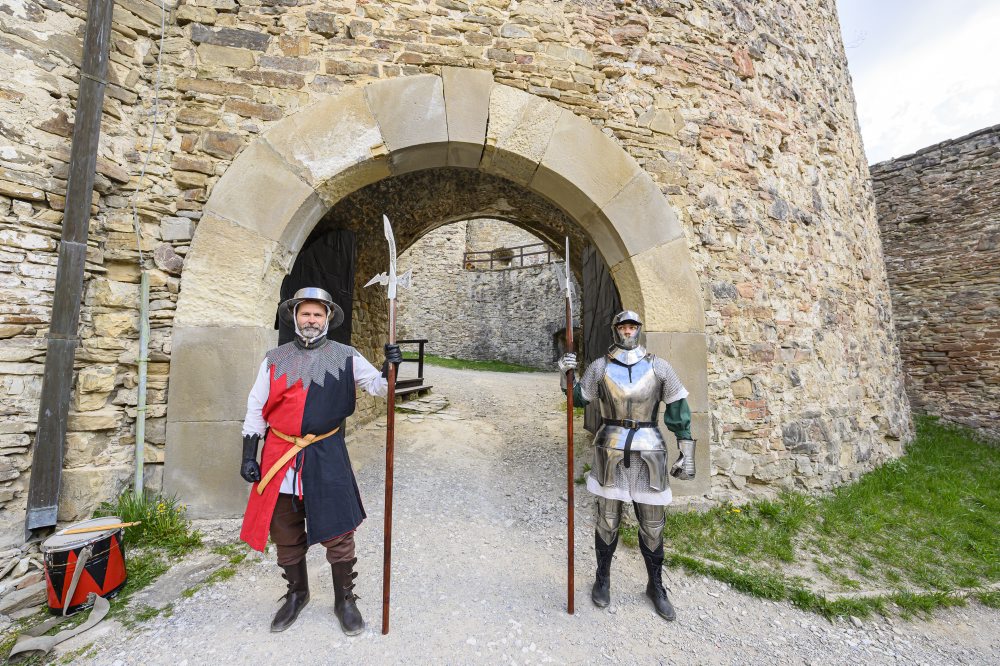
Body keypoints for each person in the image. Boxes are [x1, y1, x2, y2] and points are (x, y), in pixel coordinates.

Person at [238, 287, 402, 635]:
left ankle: (345, 599)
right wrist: (249, 454)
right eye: (305, 314)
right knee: (285, 529)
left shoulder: (345, 356)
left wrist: (390, 368)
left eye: (317, 314)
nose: (311, 320)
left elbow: (379, 387)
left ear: (327, 318)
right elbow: (256, 406)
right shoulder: (274, 359)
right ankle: (298, 594)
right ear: (294, 316)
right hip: (280, 455)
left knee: (339, 529)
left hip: (327, 453)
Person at [558, 310, 696, 621]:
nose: (628, 331)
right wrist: (566, 375)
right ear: (615, 330)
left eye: (632, 326)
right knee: (607, 520)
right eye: (623, 326)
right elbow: (578, 399)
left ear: (639, 329)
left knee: (653, 525)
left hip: (650, 448)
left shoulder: (659, 367)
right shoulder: (600, 367)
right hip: (610, 447)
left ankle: (655, 586)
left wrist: (686, 451)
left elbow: (678, 408)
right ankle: (602, 579)